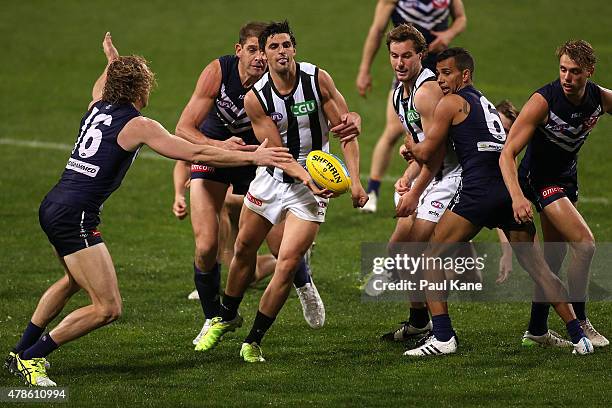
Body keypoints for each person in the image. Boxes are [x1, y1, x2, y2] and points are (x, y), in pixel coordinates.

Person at [4, 33, 293, 387]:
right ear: (141, 89)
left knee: (71, 281)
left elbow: (105, 81)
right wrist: (253, 155)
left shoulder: (97, 106)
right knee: (107, 308)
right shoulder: (138, 124)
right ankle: (32, 358)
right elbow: (196, 153)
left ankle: (19, 350)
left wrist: (112, 59)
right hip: (75, 217)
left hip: (53, 205)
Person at [194, 20, 368, 362]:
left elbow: (346, 128)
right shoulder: (255, 98)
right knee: (243, 248)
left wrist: (356, 181)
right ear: (265, 53)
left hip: (314, 181)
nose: (280, 52)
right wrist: (305, 177)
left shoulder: (318, 80)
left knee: (286, 263)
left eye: (286, 45)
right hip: (273, 177)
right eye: (273, 47)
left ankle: (253, 340)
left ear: (294, 49)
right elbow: (275, 151)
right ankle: (226, 315)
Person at [401, 47, 593, 357]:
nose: (441, 81)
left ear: (465, 74)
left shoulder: (450, 102)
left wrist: (409, 145)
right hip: (507, 188)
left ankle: (443, 337)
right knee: (539, 269)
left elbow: (427, 154)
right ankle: (578, 337)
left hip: (478, 192)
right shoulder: (483, 101)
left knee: (430, 257)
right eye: (438, 75)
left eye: (447, 73)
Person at [169, 22, 331, 344]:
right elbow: (183, 128)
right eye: (253, 49)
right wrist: (219, 148)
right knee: (205, 247)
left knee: (278, 245)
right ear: (238, 50)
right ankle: (214, 317)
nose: (259, 57)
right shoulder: (219, 71)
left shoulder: (277, 81)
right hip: (217, 154)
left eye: (264, 50)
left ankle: (303, 281)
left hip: (257, 159)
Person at [500, 40, 611, 348]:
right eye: (563, 69)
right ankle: (580, 318)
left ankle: (536, 331)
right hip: (539, 181)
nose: (567, 77)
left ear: (589, 72)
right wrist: (517, 197)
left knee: (553, 257)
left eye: (575, 72)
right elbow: (507, 152)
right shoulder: (543, 101)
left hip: (565, 182)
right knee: (585, 245)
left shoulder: (598, 98)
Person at [373, 24, 461, 341]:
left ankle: (441, 332)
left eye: (407, 56)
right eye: (394, 56)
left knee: (418, 251)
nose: (399, 63)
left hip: (451, 177)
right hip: (430, 176)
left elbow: (436, 154)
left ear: (421, 56)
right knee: (398, 251)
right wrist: (408, 174)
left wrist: (414, 192)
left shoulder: (426, 92)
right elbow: (417, 140)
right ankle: (419, 320)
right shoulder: (400, 93)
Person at [357, 0, 466, 213]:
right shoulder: (401, 75)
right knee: (395, 131)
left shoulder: (429, 89)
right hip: (407, 77)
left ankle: (445, 191)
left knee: (437, 134)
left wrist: (448, 34)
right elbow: (378, 30)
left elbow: (461, 18)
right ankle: (373, 191)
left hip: (439, 70)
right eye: (394, 56)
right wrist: (364, 69)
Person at [494, 100, 519, 284]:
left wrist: (507, 254)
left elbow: (500, 210)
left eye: (507, 131)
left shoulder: (507, 162)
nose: (501, 135)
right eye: (497, 127)